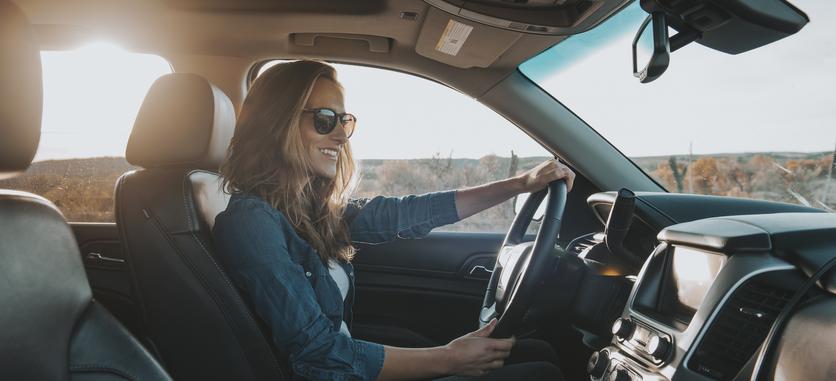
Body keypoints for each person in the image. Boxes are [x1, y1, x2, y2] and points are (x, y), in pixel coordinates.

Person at [213, 60, 576, 381]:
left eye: (344, 120)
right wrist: (450, 359)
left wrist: (520, 184)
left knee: (538, 353)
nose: (340, 135)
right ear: (277, 123)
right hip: (332, 372)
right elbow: (319, 355)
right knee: (542, 372)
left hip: (347, 365)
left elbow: (405, 213)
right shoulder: (251, 222)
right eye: (324, 121)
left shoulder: (310, 211)